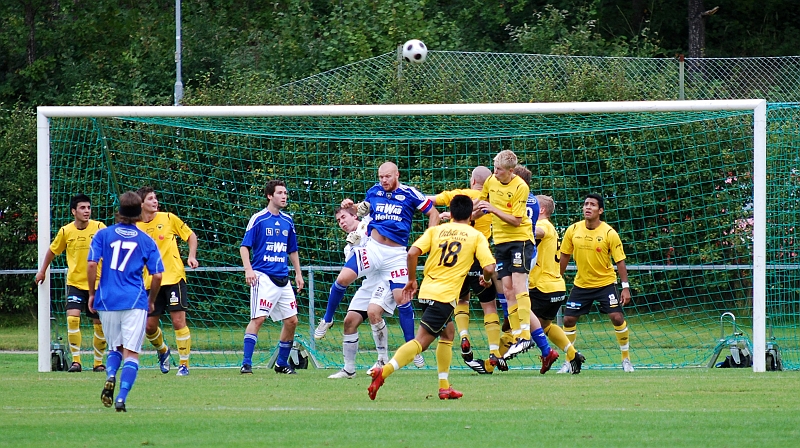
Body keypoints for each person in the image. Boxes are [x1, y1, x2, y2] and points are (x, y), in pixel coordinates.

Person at [368, 195, 495, 400]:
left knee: (448, 334)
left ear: (451, 213)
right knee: (421, 343)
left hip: (426, 292)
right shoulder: (475, 235)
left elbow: (412, 253)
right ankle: (384, 372)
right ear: (471, 215)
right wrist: (486, 279)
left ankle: (444, 387)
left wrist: (411, 280)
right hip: (444, 298)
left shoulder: (435, 231)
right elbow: (489, 267)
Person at [314, 162, 439, 370]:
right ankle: (327, 319)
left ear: (397, 174)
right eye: (381, 177)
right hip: (373, 248)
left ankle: (412, 347)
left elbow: (433, 213)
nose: (384, 181)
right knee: (342, 279)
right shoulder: (374, 191)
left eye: (387, 177)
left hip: (396, 255)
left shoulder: (409, 194)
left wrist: (429, 239)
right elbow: (361, 210)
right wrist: (351, 206)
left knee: (402, 298)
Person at [475, 152, 557, 369]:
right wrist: (464, 215)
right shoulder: (492, 181)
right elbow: (480, 201)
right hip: (500, 243)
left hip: (520, 241)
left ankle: (522, 337)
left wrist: (493, 209)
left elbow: (516, 220)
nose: (494, 172)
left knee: (519, 289)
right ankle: (545, 350)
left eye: (498, 169)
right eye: (494, 167)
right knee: (508, 291)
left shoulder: (522, 188)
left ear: (511, 171)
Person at [87, 191, 164, 412]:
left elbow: (92, 265)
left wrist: (92, 293)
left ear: (119, 211)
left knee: (115, 348)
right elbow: (157, 275)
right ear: (139, 212)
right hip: (134, 300)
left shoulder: (103, 235)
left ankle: (111, 373)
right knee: (131, 352)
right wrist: (151, 299)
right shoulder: (146, 241)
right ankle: (121, 397)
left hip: (108, 299)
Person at [428, 166, 506, 374]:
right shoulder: (491, 200)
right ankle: (493, 351)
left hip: (458, 260)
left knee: (462, 301)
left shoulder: (459, 195)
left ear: (472, 180)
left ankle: (464, 335)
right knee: (489, 306)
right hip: (480, 255)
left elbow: (431, 200)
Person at [559, 193, 633, 372]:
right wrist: (557, 278)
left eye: (592, 205)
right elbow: (565, 255)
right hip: (581, 284)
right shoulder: (573, 230)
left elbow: (620, 261)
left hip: (605, 284)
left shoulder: (609, 233)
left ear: (600, 210)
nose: (588, 207)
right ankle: (570, 360)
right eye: (586, 204)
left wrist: (625, 287)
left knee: (617, 317)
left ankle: (626, 359)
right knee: (568, 319)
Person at [326, 205, 402, 379]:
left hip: (385, 277)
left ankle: (383, 360)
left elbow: (372, 211)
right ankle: (349, 369)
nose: (341, 223)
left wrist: (357, 208)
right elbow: (358, 269)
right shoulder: (348, 246)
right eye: (338, 220)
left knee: (373, 312)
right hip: (370, 282)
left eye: (344, 217)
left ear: (355, 216)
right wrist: (355, 246)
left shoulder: (368, 223)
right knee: (349, 321)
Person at [35, 194, 107, 373]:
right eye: (82, 208)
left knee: (99, 323)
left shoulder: (99, 228)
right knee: (72, 318)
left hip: (98, 284)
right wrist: (42, 270)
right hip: (75, 283)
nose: (87, 211)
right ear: (74, 211)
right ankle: (76, 361)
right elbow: (52, 250)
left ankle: (98, 363)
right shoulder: (66, 231)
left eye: (88, 208)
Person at [239, 179, 305, 375]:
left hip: (283, 279)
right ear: (270, 196)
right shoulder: (258, 219)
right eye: (280, 193)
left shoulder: (287, 220)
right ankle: (246, 363)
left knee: (292, 321)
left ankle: (281, 364)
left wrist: (298, 274)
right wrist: (248, 269)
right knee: (258, 318)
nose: (284, 196)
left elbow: (292, 249)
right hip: (264, 277)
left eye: (285, 193)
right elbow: (244, 247)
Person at [136, 187, 198, 376]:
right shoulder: (136, 227)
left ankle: (184, 365)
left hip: (173, 277)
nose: (155, 202)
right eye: (151, 199)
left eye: (156, 198)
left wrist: (191, 256)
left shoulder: (169, 218)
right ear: (141, 204)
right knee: (149, 326)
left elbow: (191, 236)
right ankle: (163, 350)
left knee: (178, 321)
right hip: (151, 282)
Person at [529, 194, 586, 374]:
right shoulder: (550, 227)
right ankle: (572, 353)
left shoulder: (544, 225)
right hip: (555, 287)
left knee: (516, 322)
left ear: (542, 210)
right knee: (544, 326)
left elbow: (537, 231)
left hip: (541, 287)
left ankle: (495, 359)